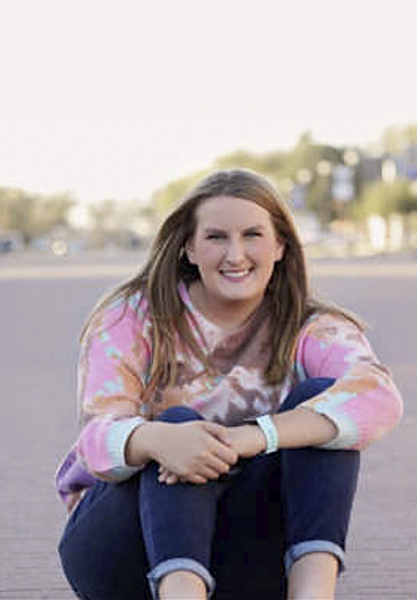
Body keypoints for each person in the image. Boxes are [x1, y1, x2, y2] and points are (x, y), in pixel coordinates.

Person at [55, 169, 403, 600]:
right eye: (216, 237)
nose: (235, 255)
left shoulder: (312, 328)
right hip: (124, 550)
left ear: (280, 246)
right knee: (179, 423)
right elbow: (93, 440)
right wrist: (161, 440)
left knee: (320, 408)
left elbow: (378, 396)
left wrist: (251, 437)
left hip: (241, 554)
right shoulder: (132, 317)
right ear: (189, 247)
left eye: (252, 235)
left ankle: (312, 593)